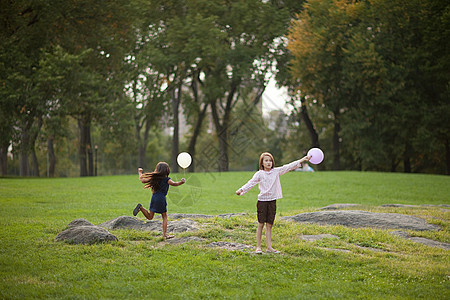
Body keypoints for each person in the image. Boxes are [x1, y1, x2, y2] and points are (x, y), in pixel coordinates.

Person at [236, 152, 310, 254]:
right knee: (261, 224)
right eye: (266, 160)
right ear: (262, 163)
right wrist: (241, 190)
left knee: (269, 225)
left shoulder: (276, 171)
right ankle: (258, 247)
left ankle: (269, 247)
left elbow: (288, 166)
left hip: (272, 201)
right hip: (262, 202)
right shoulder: (259, 174)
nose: (268, 162)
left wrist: (302, 160)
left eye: (270, 160)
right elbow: (251, 183)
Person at [133, 162, 185, 240]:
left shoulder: (154, 178)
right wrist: (181, 182)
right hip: (161, 199)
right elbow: (174, 184)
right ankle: (165, 235)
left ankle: (141, 208)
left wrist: (140, 172)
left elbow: (142, 180)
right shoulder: (167, 179)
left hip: (154, 198)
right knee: (164, 216)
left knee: (150, 217)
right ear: (166, 171)